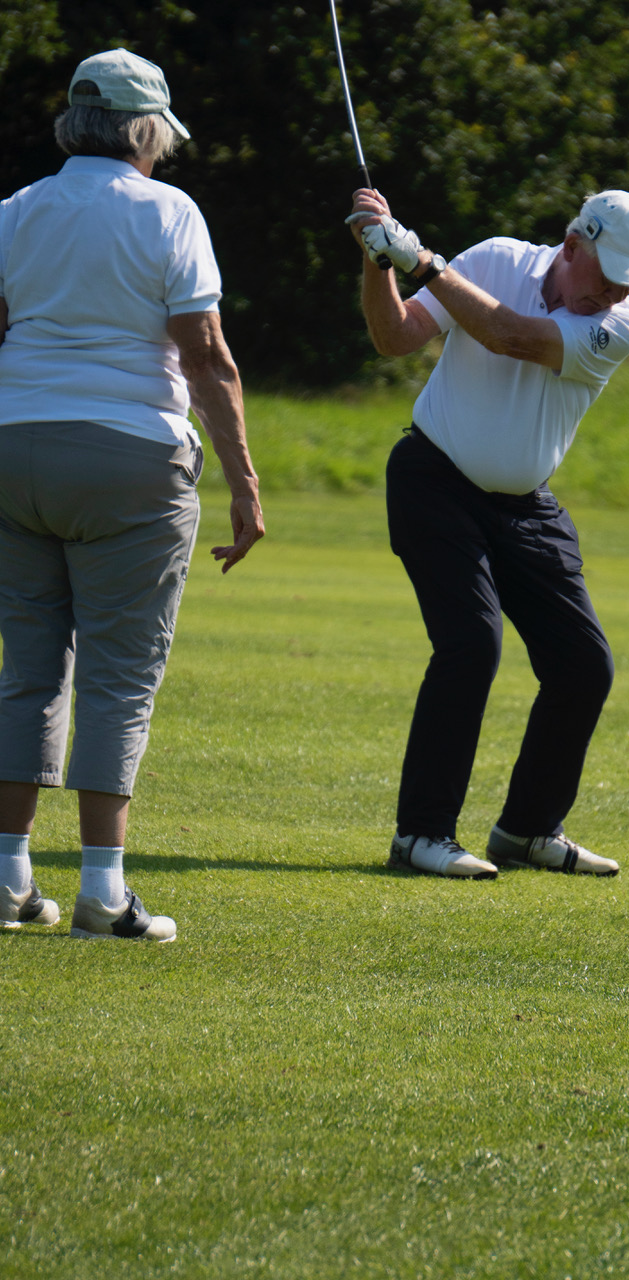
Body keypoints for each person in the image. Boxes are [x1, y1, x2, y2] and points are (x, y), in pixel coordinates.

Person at [0, 49, 264, 940]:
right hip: (131, 459)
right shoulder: (169, 211)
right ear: (144, 129)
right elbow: (206, 356)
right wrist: (243, 481)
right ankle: (103, 893)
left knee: (29, 672)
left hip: (12, 450)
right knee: (118, 679)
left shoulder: (15, 209)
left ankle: (6, 879)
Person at [347, 184, 629, 880]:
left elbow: (511, 336)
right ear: (572, 245)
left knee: (583, 666)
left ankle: (526, 831)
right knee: (470, 645)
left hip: (525, 503)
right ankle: (420, 835)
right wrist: (379, 259)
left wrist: (423, 261)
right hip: (433, 480)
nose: (615, 294)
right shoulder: (493, 259)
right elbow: (395, 337)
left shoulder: (621, 325)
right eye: (609, 277)